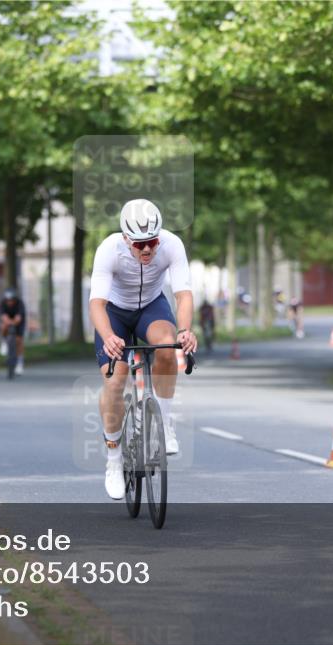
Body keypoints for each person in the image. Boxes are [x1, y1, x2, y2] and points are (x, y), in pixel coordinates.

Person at [89, 198, 197, 500]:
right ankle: (113, 458)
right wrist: (109, 336)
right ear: (125, 238)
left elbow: (183, 295)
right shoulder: (108, 249)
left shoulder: (172, 245)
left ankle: (164, 423)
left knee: (167, 345)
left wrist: (186, 330)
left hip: (151, 306)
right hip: (114, 312)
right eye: (139, 245)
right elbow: (96, 304)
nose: (147, 249)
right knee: (115, 380)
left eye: (152, 242)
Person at [0, 288, 26, 375]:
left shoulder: (20, 304)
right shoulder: (2, 304)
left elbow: (19, 318)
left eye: (11, 300)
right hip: (7, 321)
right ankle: (4, 342)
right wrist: (8, 323)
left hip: (19, 322)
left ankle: (19, 363)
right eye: (8, 300)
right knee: (3, 326)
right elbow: (3, 317)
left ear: (15, 299)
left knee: (19, 340)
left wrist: (13, 322)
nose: (10, 302)